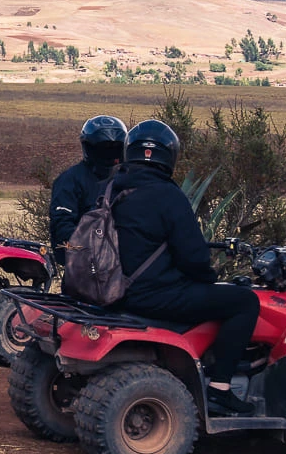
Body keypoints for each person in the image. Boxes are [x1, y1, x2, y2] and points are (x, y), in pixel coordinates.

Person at [107, 118, 262, 414]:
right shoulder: (169, 196)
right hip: (150, 296)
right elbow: (193, 257)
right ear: (169, 155)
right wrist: (209, 278)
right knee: (244, 302)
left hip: (108, 290)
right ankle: (220, 389)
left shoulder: (110, 188)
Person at [49, 114, 127, 264]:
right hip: (83, 266)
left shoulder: (126, 178)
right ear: (89, 148)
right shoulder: (70, 180)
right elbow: (62, 227)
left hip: (123, 263)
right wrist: (92, 250)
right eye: (103, 149)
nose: (109, 154)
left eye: (114, 149)